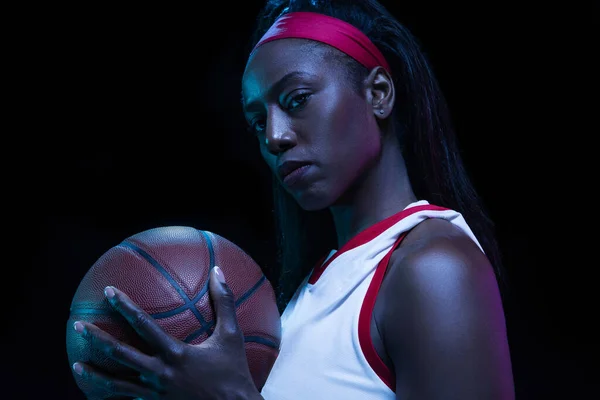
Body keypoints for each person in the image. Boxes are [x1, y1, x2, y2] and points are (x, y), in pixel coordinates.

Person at [71, 0, 515, 398]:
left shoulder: (434, 268)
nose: (275, 136)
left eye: (297, 99)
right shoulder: (313, 289)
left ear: (378, 94)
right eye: (257, 121)